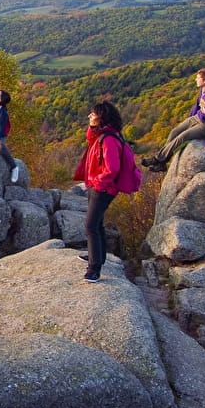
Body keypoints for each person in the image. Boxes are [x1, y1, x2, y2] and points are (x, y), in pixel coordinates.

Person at [73, 100, 124, 283]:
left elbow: (112, 169)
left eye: (93, 115)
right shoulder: (103, 134)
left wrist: (97, 182)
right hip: (97, 185)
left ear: (102, 118)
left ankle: (94, 269)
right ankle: (97, 257)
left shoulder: (109, 139)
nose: (89, 116)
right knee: (97, 223)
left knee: (90, 226)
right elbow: (90, 139)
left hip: (103, 188)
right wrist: (91, 127)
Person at [141, 68, 205, 172]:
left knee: (183, 136)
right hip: (198, 117)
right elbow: (197, 105)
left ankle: (157, 159)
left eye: (198, 78)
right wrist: (189, 120)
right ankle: (162, 164)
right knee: (175, 132)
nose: (195, 79)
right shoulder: (203, 89)